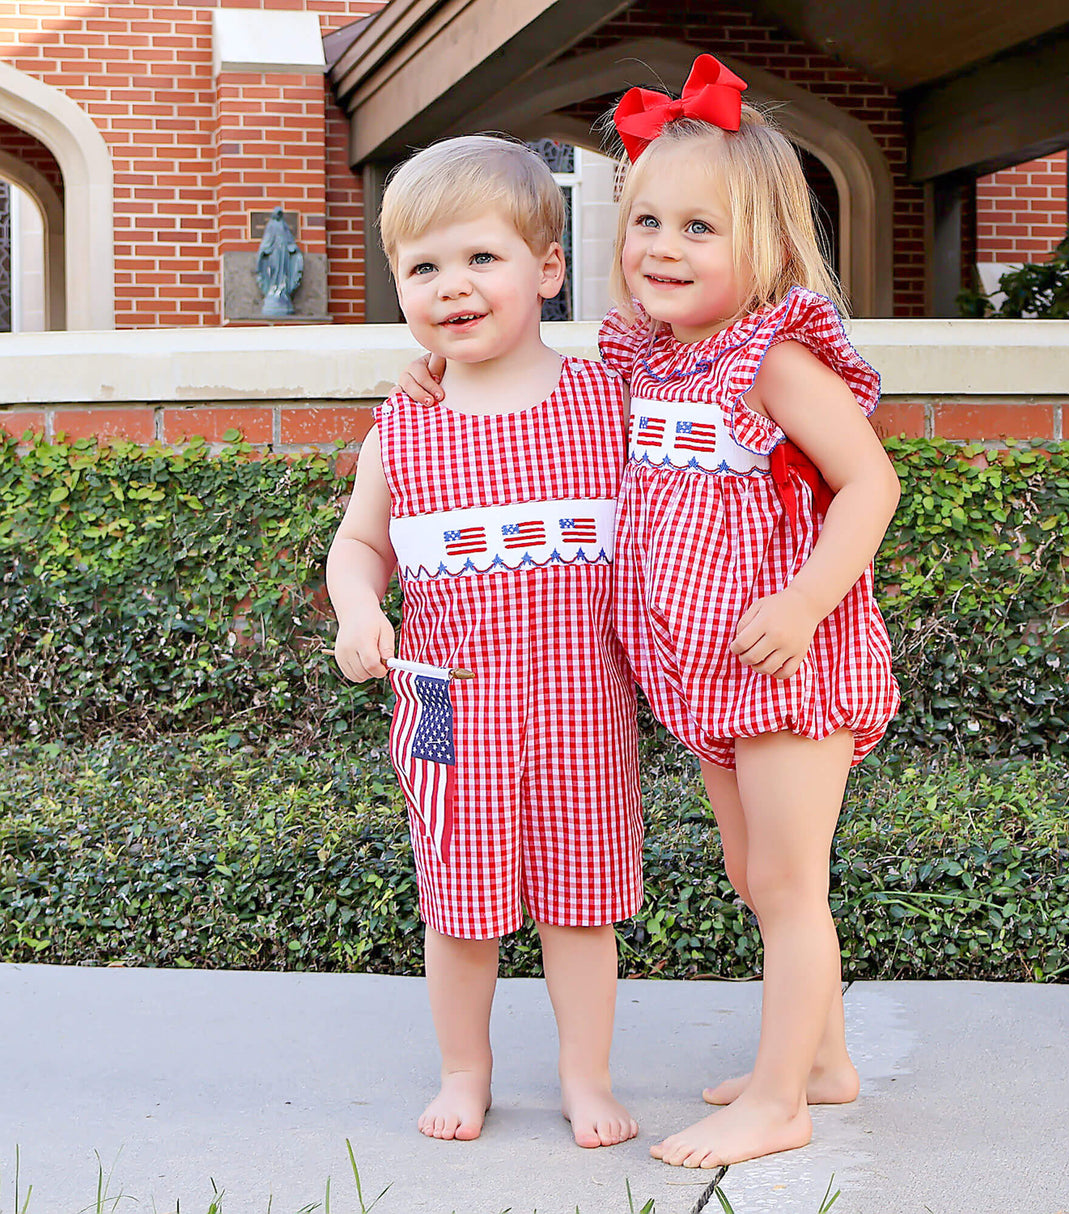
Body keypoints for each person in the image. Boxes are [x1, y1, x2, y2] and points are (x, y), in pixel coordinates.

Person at [399, 56, 900, 1170]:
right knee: (748, 868)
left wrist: (805, 595)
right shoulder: (652, 360)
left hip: (786, 660)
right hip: (707, 668)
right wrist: (436, 364)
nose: (661, 249)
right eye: (644, 223)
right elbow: (525, 381)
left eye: (698, 230)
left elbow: (870, 483)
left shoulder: (770, 360)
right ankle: (821, 1058)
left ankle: (779, 1100)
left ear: (764, 245)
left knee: (783, 881)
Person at [325, 135, 643, 1151]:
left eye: (480, 260)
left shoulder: (606, 398)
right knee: (458, 907)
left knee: (578, 905)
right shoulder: (404, 425)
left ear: (547, 270)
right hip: (453, 705)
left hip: (581, 705)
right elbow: (360, 542)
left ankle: (583, 1073)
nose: (451, 288)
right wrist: (355, 610)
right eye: (422, 268)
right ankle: (466, 1067)